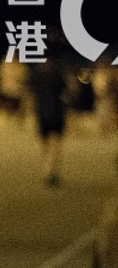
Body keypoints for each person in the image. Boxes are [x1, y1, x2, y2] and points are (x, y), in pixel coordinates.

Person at [25, 51, 68, 187]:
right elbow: (65, 93)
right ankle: (52, 169)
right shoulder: (57, 73)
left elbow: (30, 93)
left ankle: (46, 170)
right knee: (55, 142)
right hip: (57, 111)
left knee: (44, 143)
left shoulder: (36, 73)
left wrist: (25, 111)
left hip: (42, 112)